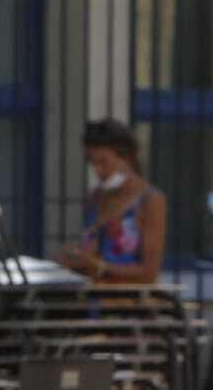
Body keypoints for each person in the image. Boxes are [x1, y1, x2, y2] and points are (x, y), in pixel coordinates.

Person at [59, 119, 167, 285]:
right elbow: (91, 254)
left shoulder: (150, 200)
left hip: (130, 303)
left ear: (126, 158)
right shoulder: (95, 198)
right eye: (92, 163)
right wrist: (74, 258)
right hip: (91, 299)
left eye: (103, 162)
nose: (98, 171)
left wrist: (101, 267)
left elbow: (149, 272)